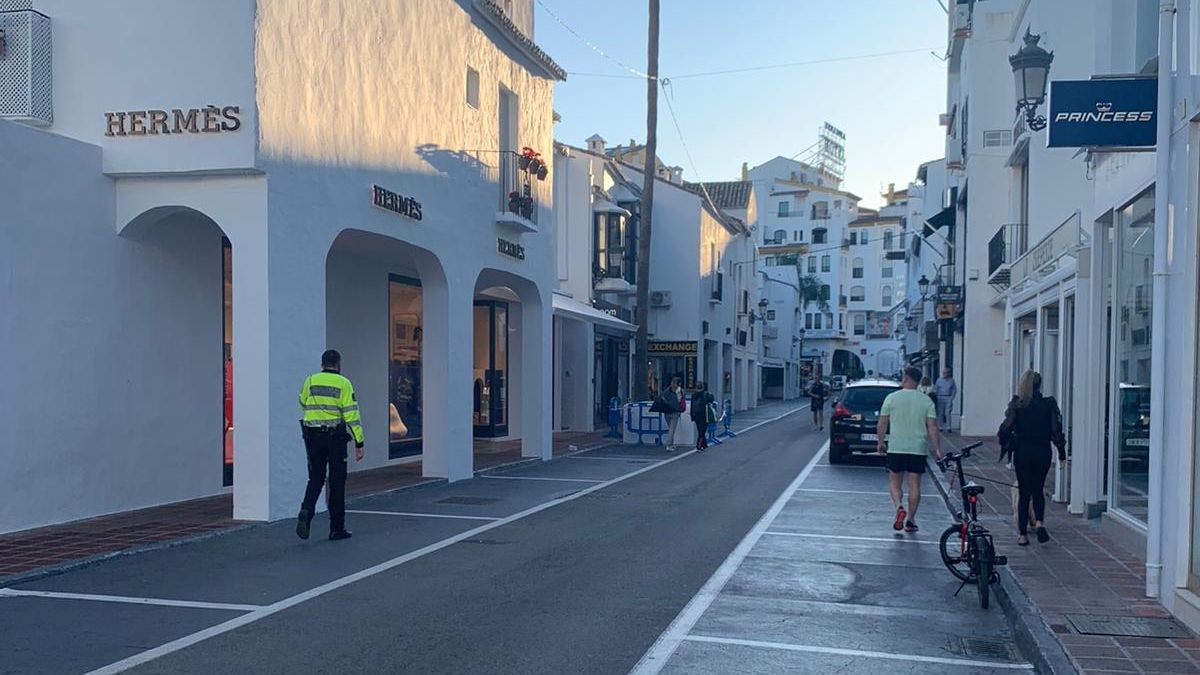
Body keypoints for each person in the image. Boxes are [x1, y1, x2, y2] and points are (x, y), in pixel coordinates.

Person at [297, 349, 365, 541]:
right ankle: (337, 528)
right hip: (335, 438)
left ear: (322, 364)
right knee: (336, 482)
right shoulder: (343, 383)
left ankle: (306, 510)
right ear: (338, 364)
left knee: (316, 478)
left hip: (312, 437)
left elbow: (302, 401)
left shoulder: (310, 380)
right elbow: (352, 414)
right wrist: (359, 442)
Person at [998, 370, 1067, 546]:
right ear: (1039, 385)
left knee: (1024, 493)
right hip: (1043, 451)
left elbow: (1006, 428)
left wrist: (1005, 442)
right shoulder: (1048, 404)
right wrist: (1062, 453)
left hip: (1023, 451)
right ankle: (1039, 523)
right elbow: (1056, 430)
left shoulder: (1018, 405)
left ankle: (1022, 535)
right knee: (1038, 490)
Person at [877, 366, 943, 533]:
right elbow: (932, 426)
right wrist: (937, 449)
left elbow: (882, 422)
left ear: (906, 378)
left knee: (895, 482)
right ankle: (911, 520)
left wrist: (881, 442)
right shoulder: (926, 401)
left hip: (896, 446)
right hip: (918, 447)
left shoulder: (891, 398)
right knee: (915, 484)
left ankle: (899, 506)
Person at [661, 377, 684, 452]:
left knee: (670, 428)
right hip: (675, 411)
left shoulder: (667, 390)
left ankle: (671, 443)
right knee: (672, 429)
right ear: (679, 383)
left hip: (667, 411)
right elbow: (680, 401)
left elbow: (662, 397)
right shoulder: (680, 391)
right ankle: (669, 445)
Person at [691, 382, 713, 452]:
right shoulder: (705, 394)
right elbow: (711, 400)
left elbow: (692, 406)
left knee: (700, 430)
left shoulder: (694, 395)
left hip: (696, 415)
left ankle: (704, 445)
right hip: (704, 414)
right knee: (702, 431)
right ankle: (699, 445)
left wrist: (692, 416)